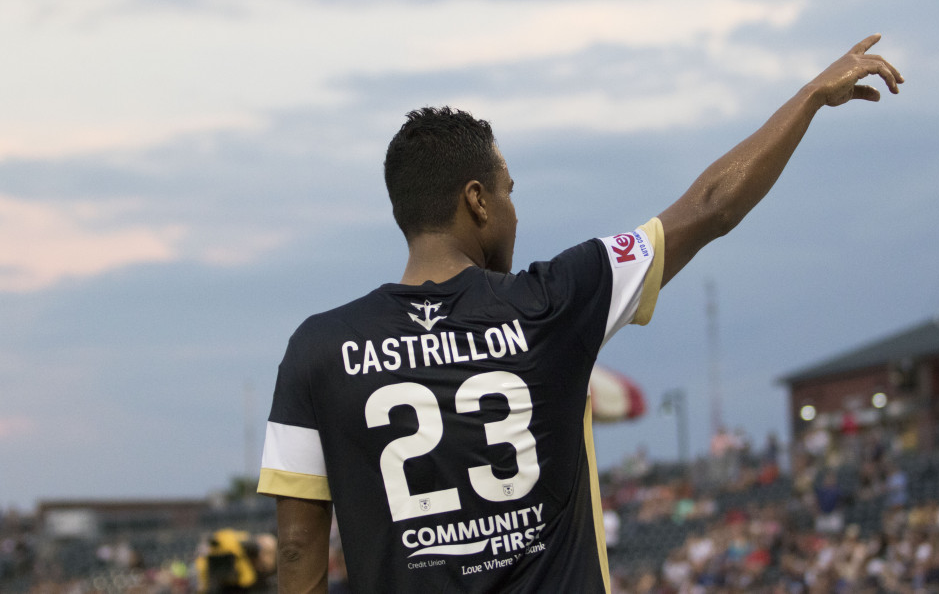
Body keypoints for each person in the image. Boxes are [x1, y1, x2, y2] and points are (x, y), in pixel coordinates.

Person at [258, 35, 903, 593]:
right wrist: (813, 95)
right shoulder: (555, 301)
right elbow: (710, 206)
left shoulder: (318, 349)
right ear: (476, 201)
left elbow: (296, 550)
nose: (515, 210)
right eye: (509, 191)